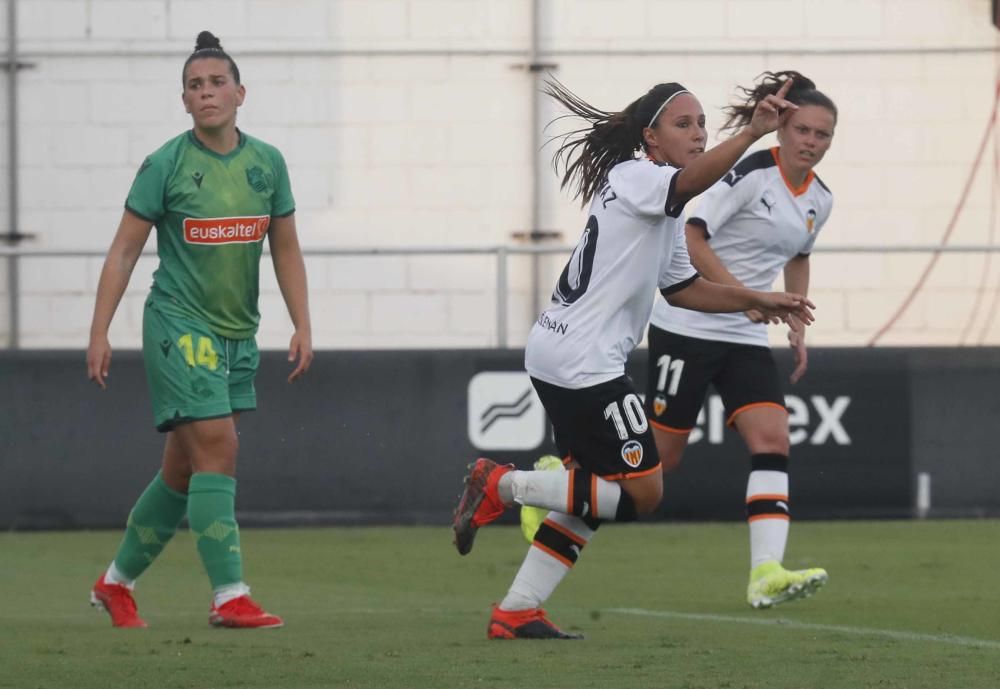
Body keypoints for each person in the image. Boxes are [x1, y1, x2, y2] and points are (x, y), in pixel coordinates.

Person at [453, 75, 815, 639]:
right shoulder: (640, 177)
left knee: (593, 496)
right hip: (584, 362)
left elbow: (683, 290)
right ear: (650, 138)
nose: (697, 134)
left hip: (565, 351)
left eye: (701, 124)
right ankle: (501, 485)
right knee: (644, 493)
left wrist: (755, 297)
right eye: (683, 124)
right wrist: (750, 133)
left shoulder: (661, 203)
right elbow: (692, 180)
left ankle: (518, 608)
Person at [86, 31, 313, 629]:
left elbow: (286, 249)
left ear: (241, 93)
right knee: (219, 450)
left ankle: (115, 584)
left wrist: (302, 324)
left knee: (182, 473)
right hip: (179, 327)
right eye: (195, 86)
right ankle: (228, 595)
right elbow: (123, 253)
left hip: (239, 335)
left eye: (216, 83)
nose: (206, 92)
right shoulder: (166, 164)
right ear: (183, 101)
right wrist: (99, 331)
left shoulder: (268, 163)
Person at [643, 71, 836, 609]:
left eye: (823, 135)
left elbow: (798, 255)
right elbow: (691, 233)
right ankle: (557, 479)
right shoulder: (751, 171)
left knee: (773, 438)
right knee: (660, 461)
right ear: (783, 129)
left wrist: (795, 323)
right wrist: (745, 295)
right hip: (689, 325)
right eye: (803, 130)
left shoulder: (820, 199)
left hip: (746, 335)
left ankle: (765, 573)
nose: (811, 142)